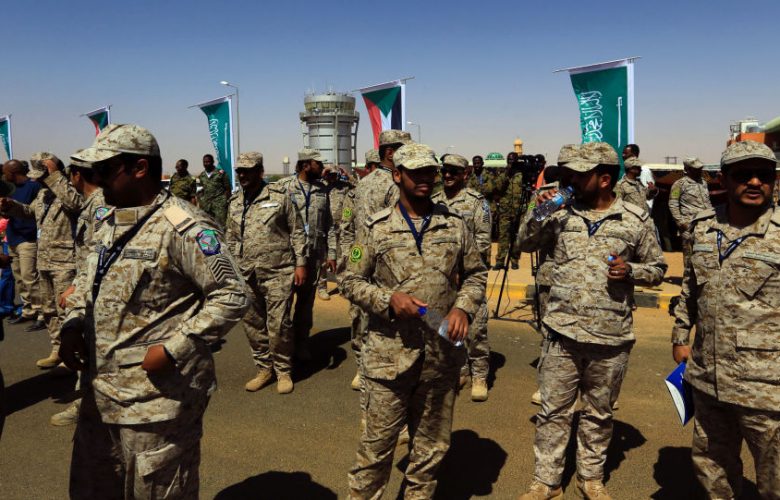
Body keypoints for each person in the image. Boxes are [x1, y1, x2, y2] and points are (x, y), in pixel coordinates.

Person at [60, 123, 248, 498]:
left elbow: (232, 293)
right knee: (92, 488)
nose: (96, 180)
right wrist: (72, 323)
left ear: (140, 168)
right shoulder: (109, 219)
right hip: (101, 394)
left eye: (105, 170)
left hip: (156, 401)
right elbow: (88, 277)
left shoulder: (183, 226)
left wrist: (175, 347)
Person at [516, 142, 666, 500]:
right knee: (553, 411)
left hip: (610, 335)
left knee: (599, 414)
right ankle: (546, 481)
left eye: (577, 175)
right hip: (561, 332)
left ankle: (591, 478)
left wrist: (631, 270)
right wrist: (538, 212)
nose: (568, 181)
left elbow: (658, 268)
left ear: (604, 179)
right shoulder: (559, 213)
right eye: (566, 173)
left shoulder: (634, 218)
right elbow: (524, 243)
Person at [340, 143, 487, 498]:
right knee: (376, 449)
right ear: (397, 175)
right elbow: (349, 280)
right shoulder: (376, 227)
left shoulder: (455, 224)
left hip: (440, 357)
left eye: (429, 171)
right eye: (415, 172)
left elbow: (476, 274)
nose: (425, 178)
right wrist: (388, 300)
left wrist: (462, 308)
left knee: (431, 448)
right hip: (388, 357)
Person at [671, 141, 780, 500]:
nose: (755, 182)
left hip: (767, 386)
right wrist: (680, 334)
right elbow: (690, 287)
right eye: (744, 175)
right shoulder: (703, 228)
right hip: (709, 375)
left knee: (775, 478)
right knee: (712, 466)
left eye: (764, 175)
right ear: (722, 179)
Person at [226, 152, 307, 394]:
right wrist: (231, 268)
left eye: (247, 170)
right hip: (245, 273)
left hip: (278, 271)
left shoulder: (280, 197)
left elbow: (297, 231)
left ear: (260, 172)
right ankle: (264, 368)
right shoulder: (234, 201)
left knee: (279, 324)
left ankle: (283, 370)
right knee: (252, 324)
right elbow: (231, 236)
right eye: (239, 171)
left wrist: (301, 264)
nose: (242, 175)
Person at [339, 130, 411, 389]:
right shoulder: (396, 184)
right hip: (387, 263)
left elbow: (347, 224)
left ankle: (361, 368)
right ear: (390, 153)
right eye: (404, 149)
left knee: (360, 314)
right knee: (389, 318)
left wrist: (349, 257)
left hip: (360, 258)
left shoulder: (362, 184)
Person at [0, 153, 79, 369]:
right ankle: (57, 349)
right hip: (44, 259)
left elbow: (75, 204)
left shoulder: (70, 190)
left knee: (66, 311)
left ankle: (72, 353)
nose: (39, 181)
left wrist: (56, 177)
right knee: (49, 309)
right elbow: (29, 212)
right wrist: (11, 205)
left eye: (43, 176)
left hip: (65, 261)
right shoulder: (44, 194)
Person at [432, 153, 491, 402]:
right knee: (448, 328)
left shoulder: (477, 202)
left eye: (453, 171)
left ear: (465, 174)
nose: (447, 175)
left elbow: (483, 241)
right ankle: (461, 369)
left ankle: (480, 375)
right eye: (444, 170)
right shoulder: (434, 200)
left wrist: (462, 270)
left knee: (475, 329)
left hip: (468, 275)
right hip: (442, 276)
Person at [277, 149, 336, 361]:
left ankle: (302, 343)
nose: (322, 167)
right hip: (287, 257)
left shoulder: (322, 190)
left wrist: (331, 253)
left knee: (305, 305)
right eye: (318, 164)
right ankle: (283, 349)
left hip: (314, 255)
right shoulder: (283, 187)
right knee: (282, 305)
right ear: (305, 165)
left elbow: (329, 224)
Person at [2, 159, 44, 330]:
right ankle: (28, 310)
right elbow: (7, 213)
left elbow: (35, 211)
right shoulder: (10, 189)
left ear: (13, 172)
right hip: (12, 238)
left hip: (28, 238)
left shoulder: (34, 187)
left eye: (5, 172)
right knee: (19, 279)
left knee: (30, 278)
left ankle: (42, 313)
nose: (3, 175)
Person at [669, 157, 713, 266]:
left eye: (700, 168)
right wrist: (680, 222)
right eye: (696, 169)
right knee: (690, 258)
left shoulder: (703, 182)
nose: (700, 171)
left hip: (706, 224)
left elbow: (707, 201)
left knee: (706, 255)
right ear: (687, 169)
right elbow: (673, 203)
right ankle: (688, 277)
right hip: (690, 226)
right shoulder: (679, 184)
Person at [318, 165, 353, 300]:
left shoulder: (343, 187)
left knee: (341, 259)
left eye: (334, 174)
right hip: (323, 228)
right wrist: (322, 175)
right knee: (323, 260)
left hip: (340, 229)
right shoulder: (320, 186)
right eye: (330, 174)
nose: (332, 177)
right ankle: (322, 288)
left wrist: (348, 175)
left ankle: (341, 285)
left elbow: (359, 188)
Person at [197, 153, 230, 226]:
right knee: (208, 225)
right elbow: (202, 190)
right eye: (204, 162)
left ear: (213, 162)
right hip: (206, 206)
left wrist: (225, 202)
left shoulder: (221, 173)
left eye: (208, 162)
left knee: (221, 225)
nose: (206, 164)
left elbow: (227, 189)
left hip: (219, 205)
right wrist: (201, 201)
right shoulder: (202, 175)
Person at [623, 144, 657, 210]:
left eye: (625, 153)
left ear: (633, 155)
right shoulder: (627, 174)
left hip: (643, 211)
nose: (623, 155)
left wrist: (653, 191)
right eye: (623, 153)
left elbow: (647, 195)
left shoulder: (644, 170)